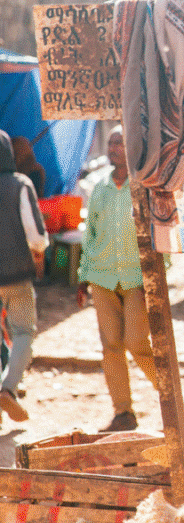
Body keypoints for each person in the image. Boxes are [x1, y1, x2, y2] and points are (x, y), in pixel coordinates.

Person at [76, 127, 160, 432]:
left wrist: (159, 275)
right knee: (111, 345)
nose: (114, 148)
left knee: (137, 342)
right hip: (102, 276)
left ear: (133, 147)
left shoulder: (145, 187)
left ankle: (168, 392)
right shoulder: (99, 187)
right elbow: (90, 233)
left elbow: (160, 232)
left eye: (120, 143)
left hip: (137, 277)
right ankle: (123, 412)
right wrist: (83, 276)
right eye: (111, 143)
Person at [0, 129, 47, 423]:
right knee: (22, 332)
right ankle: (7, 389)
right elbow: (36, 236)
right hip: (16, 274)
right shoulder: (20, 184)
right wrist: (38, 254)